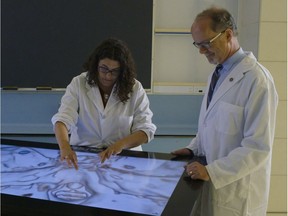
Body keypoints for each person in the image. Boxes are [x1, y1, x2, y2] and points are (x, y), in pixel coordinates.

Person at [171, 7, 278, 216]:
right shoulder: (216, 74)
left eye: (206, 44)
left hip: (236, 193)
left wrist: (212, 171)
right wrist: (193, 149)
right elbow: (210, 127)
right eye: (197, 45)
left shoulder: (257, 81)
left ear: (228, 34)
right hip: (209, 186)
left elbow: (258, 147)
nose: (201, 51)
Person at [52, 38, 156, 170]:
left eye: (115, 71)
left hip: (125, 157)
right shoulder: (79, 83)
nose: (108, 76)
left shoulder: (135, 88)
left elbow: (145, 130)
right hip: (84, 155)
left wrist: (119, 145)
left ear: (123, 71)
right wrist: (65, 147)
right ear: (95, 65)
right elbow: (63, 119)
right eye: (104, 69)